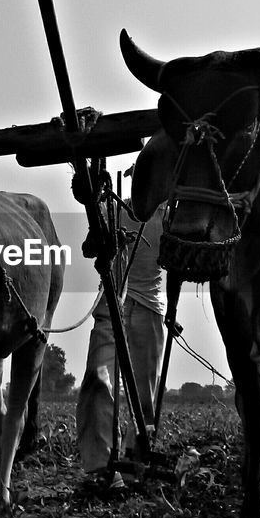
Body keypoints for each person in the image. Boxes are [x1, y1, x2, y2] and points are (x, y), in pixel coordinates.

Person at [76, 193, 167, 474]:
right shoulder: (110, 207)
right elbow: (88, 248)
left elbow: (174, 265)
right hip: (110, 304)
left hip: (150, 308)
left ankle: (135, 457)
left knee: (144, 397)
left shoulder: (167, 213)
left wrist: (173, 312)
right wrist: (108, 240)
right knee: (98, 378)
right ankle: (99, 465)